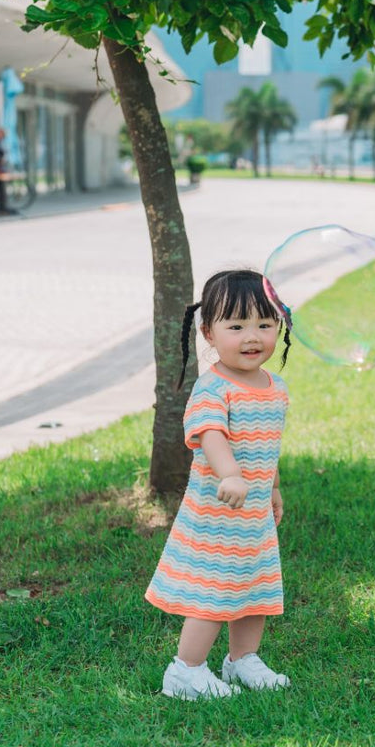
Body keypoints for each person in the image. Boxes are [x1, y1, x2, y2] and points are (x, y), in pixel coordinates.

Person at [145, 269, 294, 700]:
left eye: (264, 325)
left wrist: (273, 488)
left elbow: (267, 447)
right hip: (217, 511)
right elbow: (212, 434)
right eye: (237, 326)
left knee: (255, 587)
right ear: (209, 332)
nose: (253, 336)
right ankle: (185, 670)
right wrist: (230, 473)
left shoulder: (274, 387)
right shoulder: (213, 387)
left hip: (253, 514)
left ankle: (241, 660)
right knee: (214, 590)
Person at [0, 126, 17, 215]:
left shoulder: (3, 143)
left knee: (2, 189)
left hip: (3, 168)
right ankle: (1, 207)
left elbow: (5, 156)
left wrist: (0, 163)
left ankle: (3, 207)